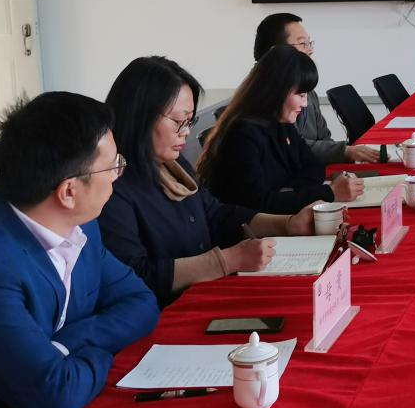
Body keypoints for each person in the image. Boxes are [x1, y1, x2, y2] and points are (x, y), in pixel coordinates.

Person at [0, 92, 158, 408]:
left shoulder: (79, 226)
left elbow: (142, 302)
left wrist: (68, 343)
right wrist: (101, 353)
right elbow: (54, 397)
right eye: (112, 166)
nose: (118, 174)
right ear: (68, 192)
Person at [99, 56, 317, 307]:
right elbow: (135, 275)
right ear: (140, 116)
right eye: (178, 122)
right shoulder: (112, 187)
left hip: (205, 295)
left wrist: (288, 224)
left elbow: (215, 214)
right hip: (167, 314)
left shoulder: (172, 165)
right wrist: (226, 261)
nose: (186, 132)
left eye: (189, 121)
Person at [198, 44, 365, 214]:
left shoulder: (281, 124)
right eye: (301, 95)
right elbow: (258, 204)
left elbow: (314, 166)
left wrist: (288, 193)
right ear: (277, 90)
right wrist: (327, 193)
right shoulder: (242, 136)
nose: (305, 103)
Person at [254, 13, 380, 164]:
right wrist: (344, 151)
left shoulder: (306, 88)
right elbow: (288, 146)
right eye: (303, 43)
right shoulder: (263, 95)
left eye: (310, 43)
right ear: (276, 51)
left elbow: (324, 138)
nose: (310, 50)